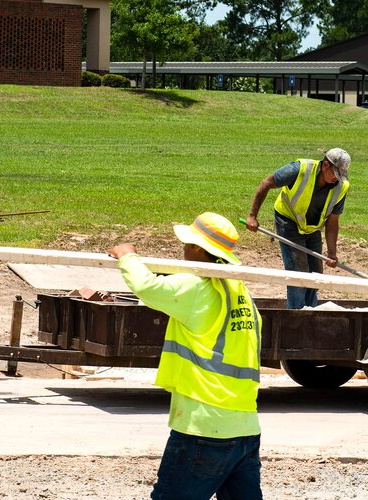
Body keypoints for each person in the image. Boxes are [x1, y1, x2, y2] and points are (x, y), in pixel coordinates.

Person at [111, 212, 262, 500]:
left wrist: (126, 256)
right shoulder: (240, 291)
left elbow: (148, 287)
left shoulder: (196, 287)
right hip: (244, 426)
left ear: (196, 249)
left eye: (186, 245)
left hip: (204, 426)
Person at [246, 148, 351, 309]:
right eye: (335, 174)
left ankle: (309, 311)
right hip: (288, 220)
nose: (336, 179)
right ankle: (295, 316)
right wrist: (252, 216)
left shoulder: (340, 187)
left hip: (311, 228)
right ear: (325, 165)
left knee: (316, 274)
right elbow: (266, 183)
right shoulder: (300, 169)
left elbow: (332, 221)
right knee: (298, 271)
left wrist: (332, 253)